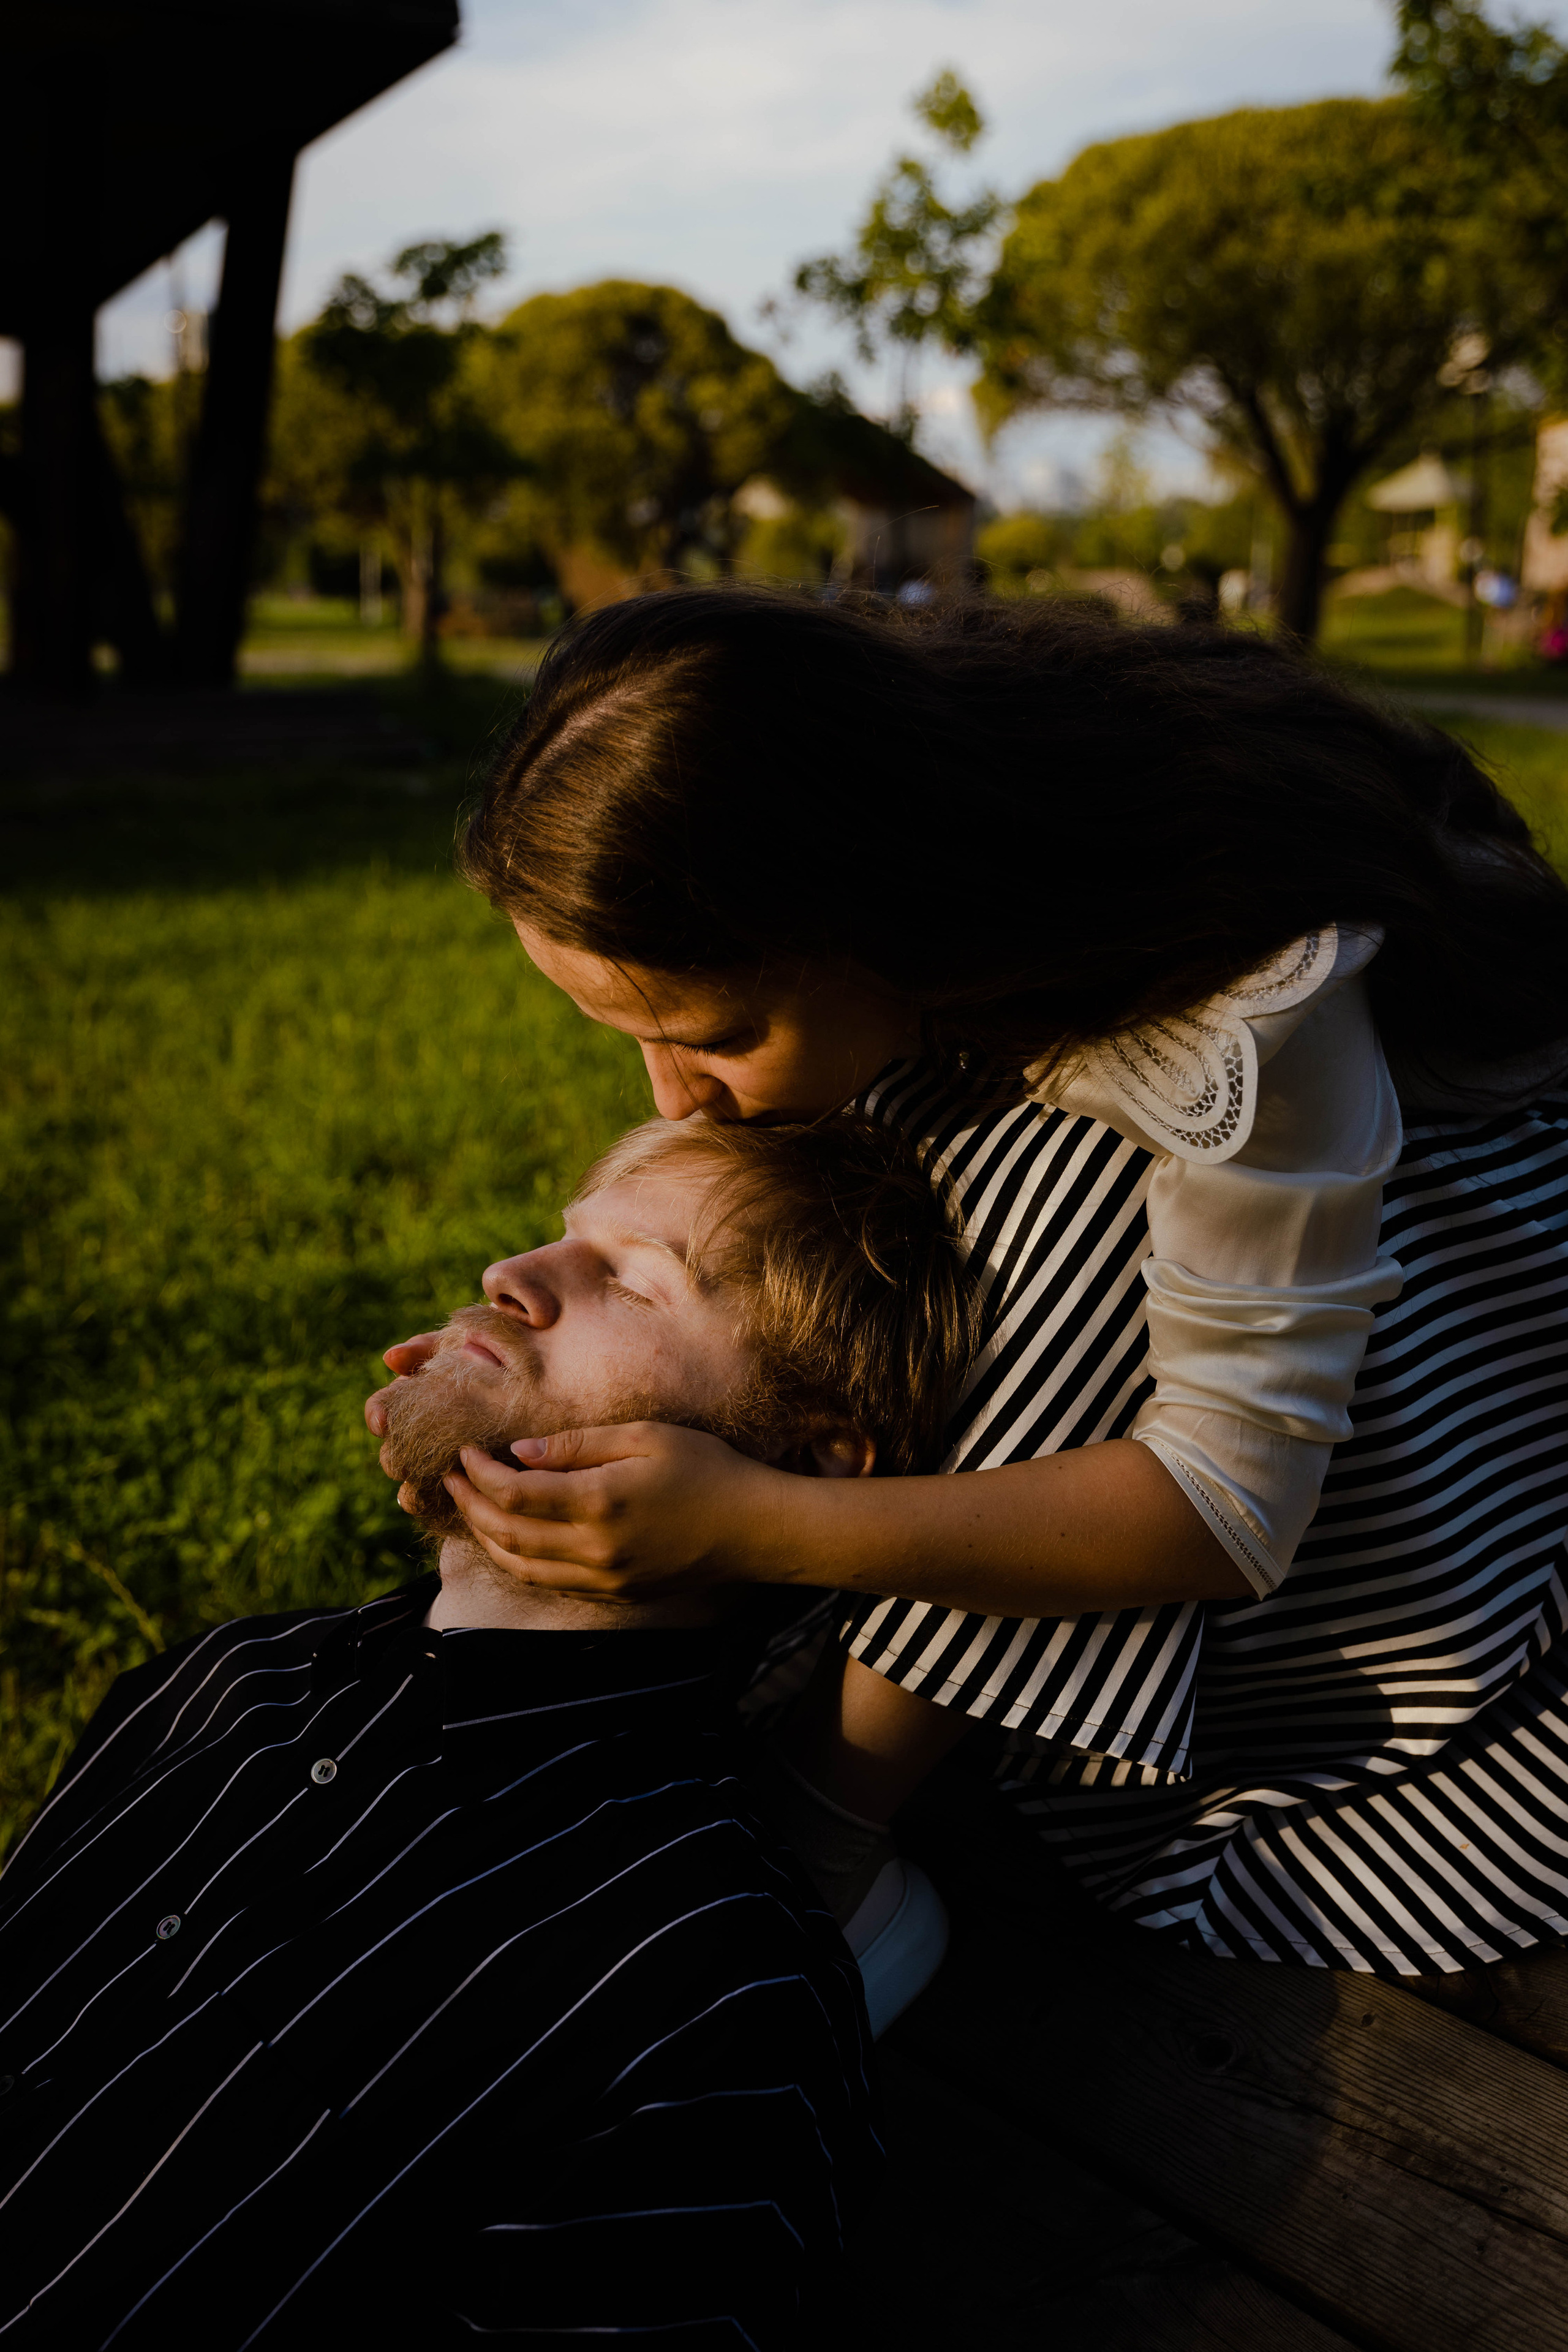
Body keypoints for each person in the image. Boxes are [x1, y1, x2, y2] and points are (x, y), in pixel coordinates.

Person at [391, 583, 1568, 1988]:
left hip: (1445, 1425)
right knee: (836, 1212)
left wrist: (758, 1520)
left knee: (1048, 1218)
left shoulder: (1238, 1011)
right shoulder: (956, 821)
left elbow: (1224, 1507)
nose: (671, 1093)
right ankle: (739, 1674)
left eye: (709, 1033)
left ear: (876, 909)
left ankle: (819, 1824)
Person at [0, 1112, 971, 2350]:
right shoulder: (222, 1679)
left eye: (629, 1279)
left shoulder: (707, 1987)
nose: (510, 1277)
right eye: (560, 1238)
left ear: (805, 1458)